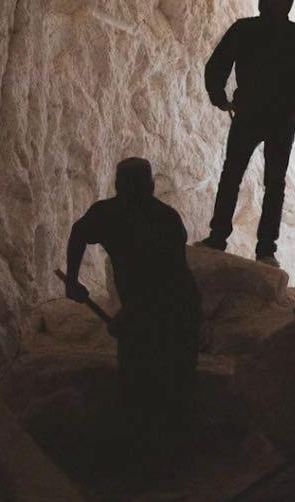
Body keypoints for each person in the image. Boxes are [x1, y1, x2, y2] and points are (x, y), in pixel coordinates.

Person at [200, 0, 295, 268]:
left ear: (289, 0)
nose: (275, 0)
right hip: (252, 114)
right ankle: (220, 238)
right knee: (234, 176)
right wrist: (220, 97)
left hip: (278, 118)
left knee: (270, 182)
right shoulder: (251, 30)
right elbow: (216, 65)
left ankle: (265, 249)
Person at [65, 158, 200, 430]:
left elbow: (164, 283)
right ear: (151, 186)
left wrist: (72, 280)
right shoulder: (166, 218)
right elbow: (172, 278)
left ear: (117, 185)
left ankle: (145, 444)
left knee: (145, 380)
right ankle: (160, 447)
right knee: (167, 384)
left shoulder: (108, 213)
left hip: (171, 310)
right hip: (179, 308)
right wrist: (72, 281)